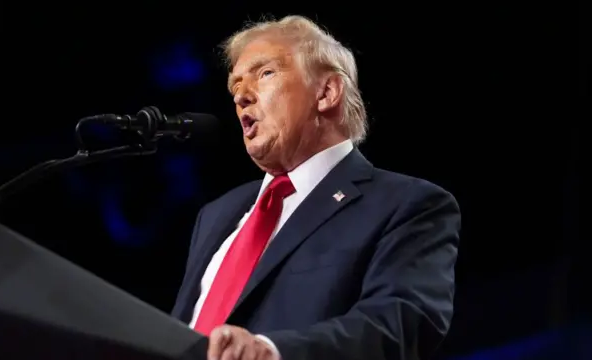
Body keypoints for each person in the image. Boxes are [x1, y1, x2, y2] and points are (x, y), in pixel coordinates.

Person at [172, 15, 461, 360]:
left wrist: (273, 352)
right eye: (234, 87)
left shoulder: (406, 205)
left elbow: (397, 324)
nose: (241, 97)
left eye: (265, 74)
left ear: (326, 92)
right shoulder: (216, 215)